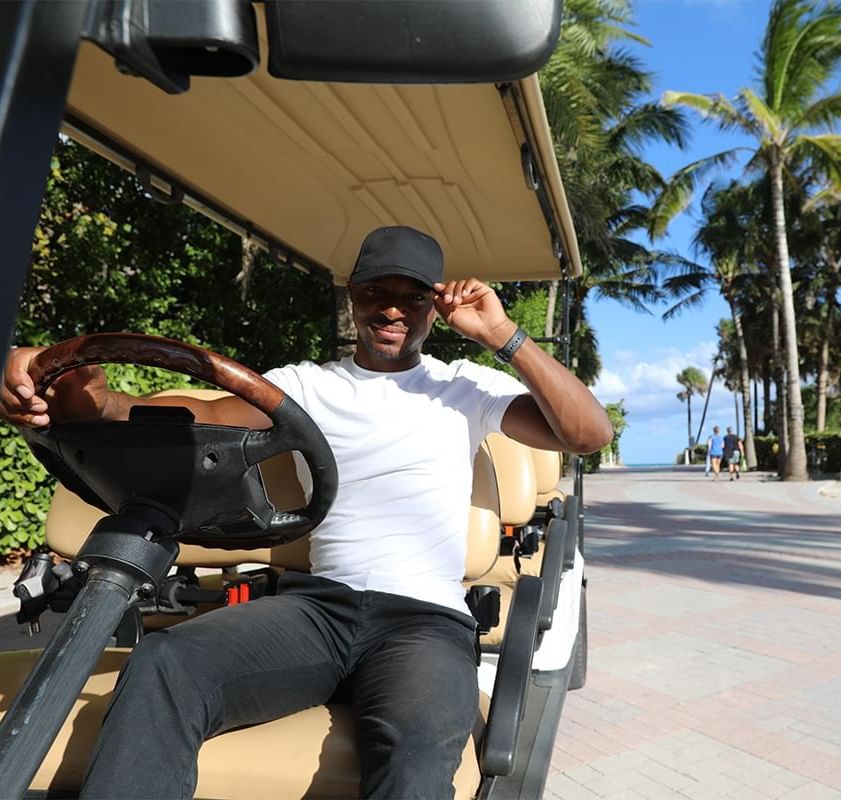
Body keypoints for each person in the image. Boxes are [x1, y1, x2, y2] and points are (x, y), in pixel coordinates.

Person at [0, 225, 613, 800]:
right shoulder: (304, 385)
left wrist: (502, 335)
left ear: (434, 306)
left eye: (412, 296)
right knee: (166, 662)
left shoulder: (463, 385)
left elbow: (587, 433)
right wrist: (100, 403)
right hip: (319, 606)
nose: (392, 309)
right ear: (353, 297)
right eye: (377, 291)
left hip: (424, 620)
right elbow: (197, 416)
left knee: (419, 741)